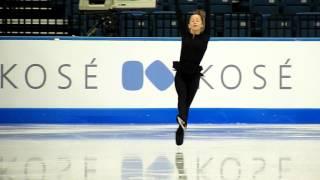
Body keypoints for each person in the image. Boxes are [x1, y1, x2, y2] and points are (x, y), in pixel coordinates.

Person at [174, 0, 210, 145]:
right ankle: (182, 121)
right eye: (192, 20)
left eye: (197, 20)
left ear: (202, 25)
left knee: (186, 104)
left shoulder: (205, 37)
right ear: (188, 25)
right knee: (182, 97)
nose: (195, 22)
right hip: (181, 74)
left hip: (194, 76)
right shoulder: (185, 35)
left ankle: (180, 129)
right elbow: (178, 15)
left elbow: (210, 14)